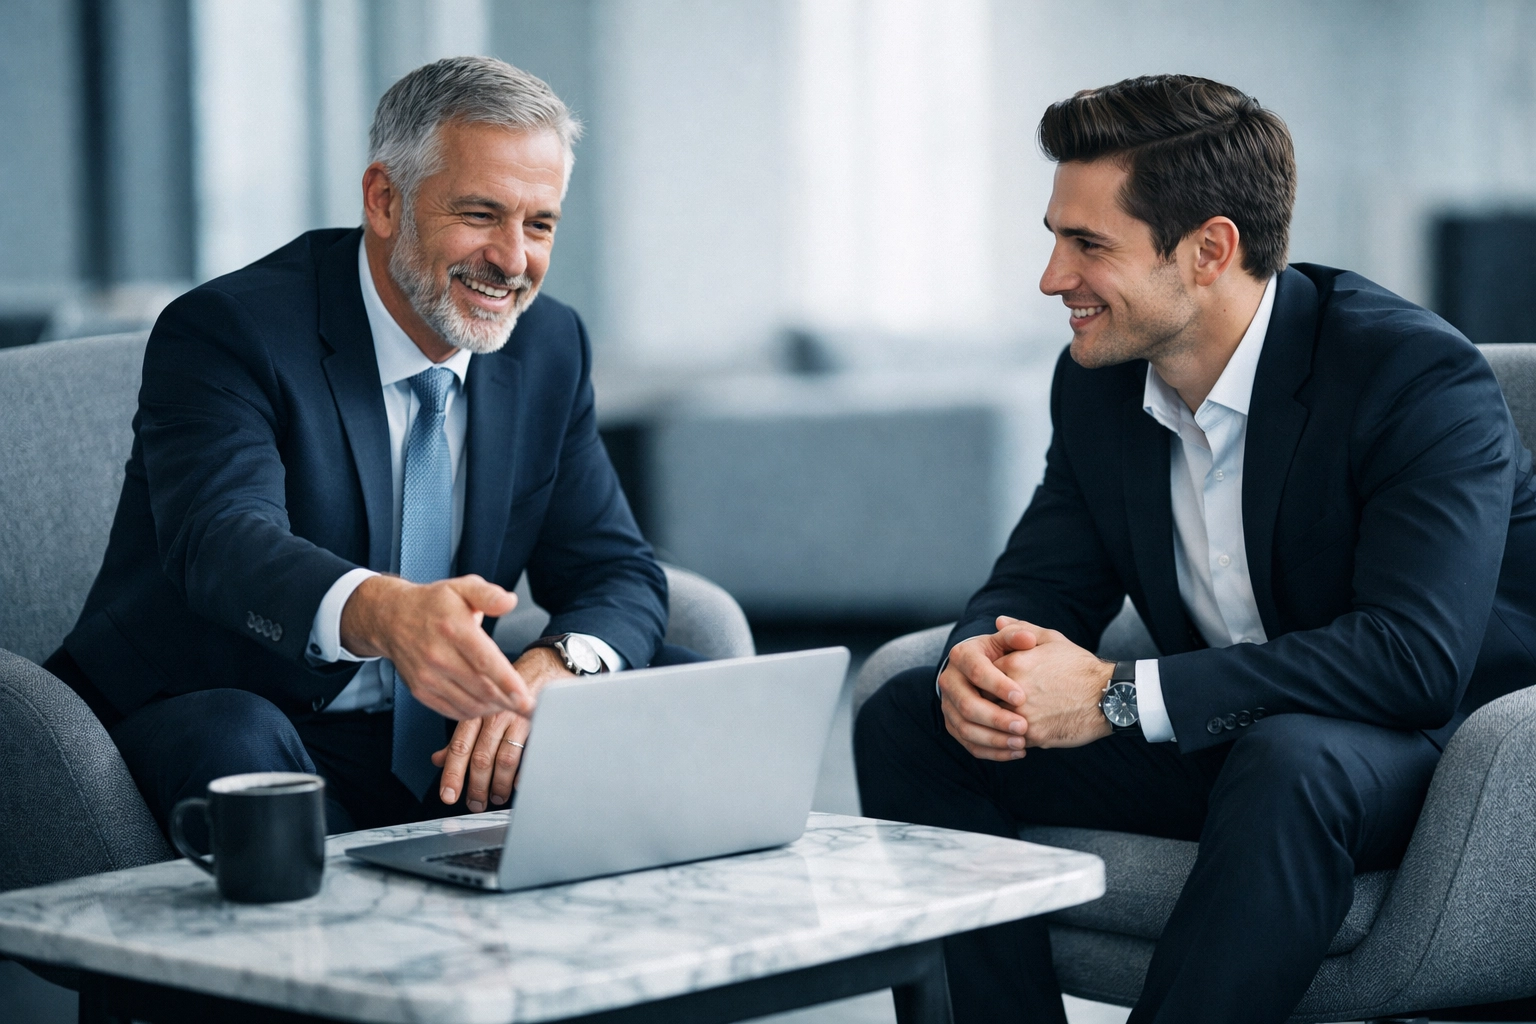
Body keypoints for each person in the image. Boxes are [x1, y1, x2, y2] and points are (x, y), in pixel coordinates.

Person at [855, 74, 1536, 1024]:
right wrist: (984, 663)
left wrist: (1115, 695)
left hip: (1445, 750)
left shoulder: (1412, 376)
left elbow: (1411, 661)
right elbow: (1042, 579)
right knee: (910, 714)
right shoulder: (1096, 383)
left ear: (1210, 249)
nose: (1051, 278)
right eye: (1055, 238)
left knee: (1290, 759)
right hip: (1228, 725)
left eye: (1089, 244)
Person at [46, 56, 695, 836]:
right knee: (240, 744)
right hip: (233, 705)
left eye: (540, 224)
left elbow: (614, 568)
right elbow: (222, 542)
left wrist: (556, 670)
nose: (513, 260)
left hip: (443, 741)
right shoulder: (230, 330)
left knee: (675, 692)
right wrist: (386, 614)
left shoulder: (548, 344)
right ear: (385, 200)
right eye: (481, 214)